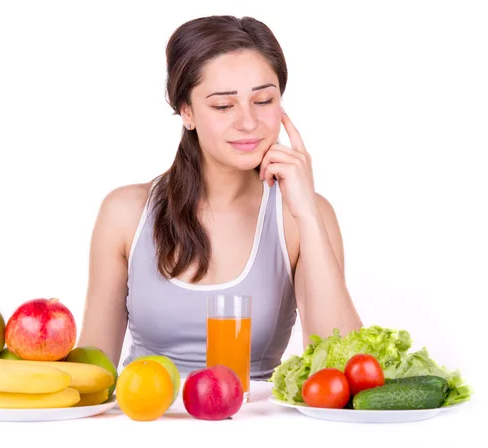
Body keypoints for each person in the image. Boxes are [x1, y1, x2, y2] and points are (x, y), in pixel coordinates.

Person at [77, 15, 363, 380]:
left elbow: (342, 368)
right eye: (223, 106)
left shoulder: (300, 215)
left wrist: (307, 213)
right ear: (187, 111)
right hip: (151, 422)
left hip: (252, 426)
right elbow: (91, 376)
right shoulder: (125, 213)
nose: (248, 122)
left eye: (263, 100)